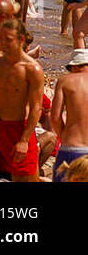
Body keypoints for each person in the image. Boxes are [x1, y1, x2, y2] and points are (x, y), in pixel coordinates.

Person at [0, 18, 44, 183]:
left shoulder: (32, 69)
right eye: (1, 39)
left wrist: (24, 140)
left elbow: (36, 108)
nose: (3, 43)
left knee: (25, 179)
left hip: (16, 129)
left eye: (8, 40)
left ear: (21, 40)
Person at [50, 48, 88, 181]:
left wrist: (63, 135)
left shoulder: (65, 81)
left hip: (72, 146)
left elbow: (55, 117)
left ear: (75, 67)